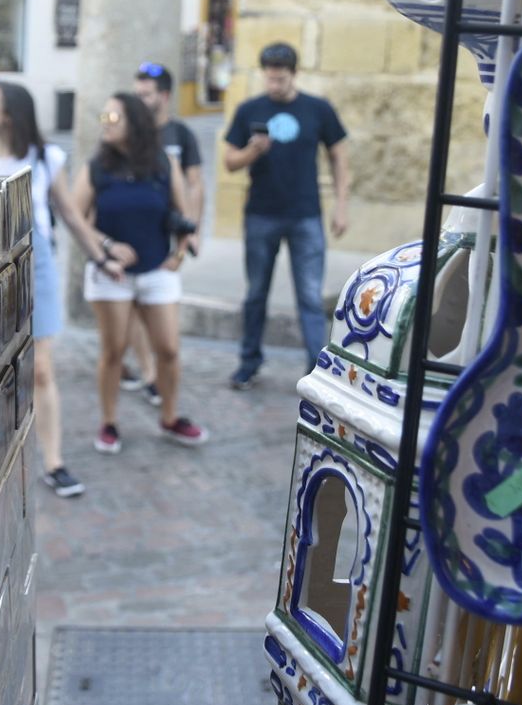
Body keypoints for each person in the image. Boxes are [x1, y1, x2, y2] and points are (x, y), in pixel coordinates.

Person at [0, 80, 109, 498]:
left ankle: (53, 461)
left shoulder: (45, 156)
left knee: (41, 368)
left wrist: (101, 257)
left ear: (10, 114)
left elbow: (69, 214)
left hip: (37, 265)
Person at [72, 93, 208, 454]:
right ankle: (109, 422)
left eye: (113, 117)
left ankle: (170, 417)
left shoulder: (163, 163)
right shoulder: (96, 166)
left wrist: (179, 255)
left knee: (169, 349)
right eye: (103, 116)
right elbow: (76, 219)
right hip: (111, 274)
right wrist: (107, 246)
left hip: (157, 269)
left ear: (135, 123)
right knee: (114, 351)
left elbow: (185, 217)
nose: (105, 123)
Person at [223, 42, 350, 389]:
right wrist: (253, 151)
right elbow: (230, 162)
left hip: (305, 215)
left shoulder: (317, 109)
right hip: (261, 214)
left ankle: (317, 369)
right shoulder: (250, 109)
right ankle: (249, 362)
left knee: (310, 296)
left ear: (294, 74)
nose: (274, 85)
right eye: (269, 78)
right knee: (255, 294)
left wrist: (341, 205)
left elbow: (339, 156)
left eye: (280, 79)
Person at [120, 62, 204, 407]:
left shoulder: (180, 134)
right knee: (134, 306)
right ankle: (149, 372)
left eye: (146, 94)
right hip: (133, 231)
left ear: (165, 96)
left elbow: (195, 184)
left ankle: (159, 366)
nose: (139, 100)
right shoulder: (126, 132)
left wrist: (192, 231)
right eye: (136, 94)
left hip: (169, 232)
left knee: (160, 303)